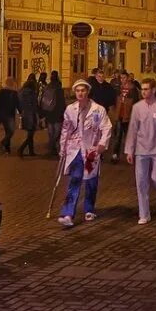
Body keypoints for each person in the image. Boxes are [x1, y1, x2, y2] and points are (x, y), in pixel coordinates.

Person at [57, 79, 113, 228]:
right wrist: (63, 147)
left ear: (87, 92)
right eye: (77, 91)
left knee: (90, 181)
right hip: (75, 149)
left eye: (83, 90)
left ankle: (89, 208)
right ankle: (68, 213)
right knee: (75, 180)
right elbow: (65, 129)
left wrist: (102, 144)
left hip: (91, 150)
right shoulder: (70, 109)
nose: (80, 93)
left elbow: (107, 127)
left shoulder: (98, 109)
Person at [125, 78, 156, 224]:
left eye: (147, 89)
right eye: (142, 89)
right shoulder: (137, 107)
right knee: (141, 182)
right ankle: (144, 214)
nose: (144, 92)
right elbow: (133, 130)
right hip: (141, 150)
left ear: (153, 90)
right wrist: (130, 150)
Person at [111, 75, 136, 164]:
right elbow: (115, 102)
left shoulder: (132, 90)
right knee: (118, 136)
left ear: (128, 78)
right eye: (121, 78)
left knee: (129, 136)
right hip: (119, 116)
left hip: (128, 116)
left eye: (124, 78)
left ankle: (131, 153)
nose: (122, 80)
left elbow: (135, 103)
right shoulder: (118, 89)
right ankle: (115, 154)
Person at [42, 71, 67, 156]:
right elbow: (62, 102)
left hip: (49, 112)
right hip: (57, 112)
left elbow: (43, 100)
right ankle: (52, 146)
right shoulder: (59, 88)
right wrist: (64, 112)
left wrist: (43, 112)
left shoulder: (47, 87)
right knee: (57, 131)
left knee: (51, 130)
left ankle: (52, 147)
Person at [0, 77, 20, 155]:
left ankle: (7, 149)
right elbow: (17, 103)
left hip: (3, 113)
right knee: (11, 131)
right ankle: (3, 143)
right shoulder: (14, 93)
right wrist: (21, 112)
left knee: (7, 131)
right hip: (10, 114)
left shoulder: (1, 92)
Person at [18, 75, 40, 157]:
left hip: (24, 114)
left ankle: (31, 151)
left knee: (30, 134)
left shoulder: (21, 92)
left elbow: (19, 104)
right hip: (31, 115)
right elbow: (35, 105)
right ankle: (21, 149)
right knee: (31, 134)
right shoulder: (32, 93)